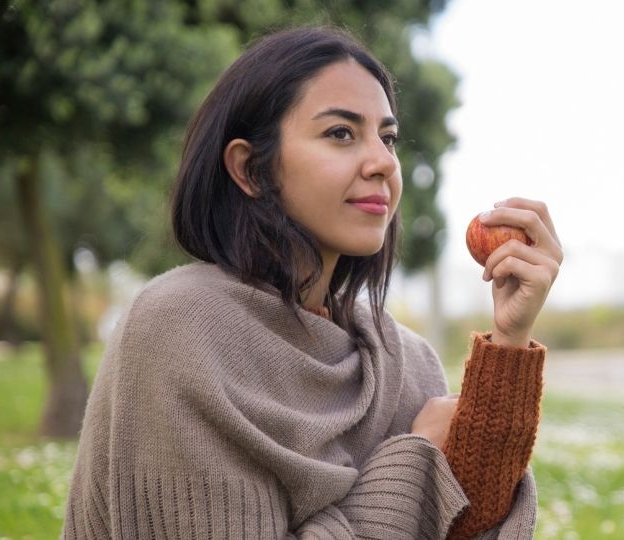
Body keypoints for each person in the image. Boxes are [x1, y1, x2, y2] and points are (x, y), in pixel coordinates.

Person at [62, 25, 562, 539]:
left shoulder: (406, 362)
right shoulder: (180, 331)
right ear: (251, 169)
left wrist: (509, 341)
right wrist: (419, 460)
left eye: (387, 138)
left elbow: (469, 527)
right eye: (341, 133)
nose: (383, 163)